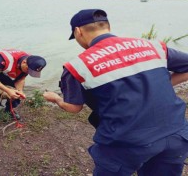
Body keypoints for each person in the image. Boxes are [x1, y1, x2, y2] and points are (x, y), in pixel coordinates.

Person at [43, 9, 188, 175]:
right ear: (108, 27)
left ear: (78, 31)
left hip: (127, 142)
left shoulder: (77, 66)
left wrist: (55, 98)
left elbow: (73, 107)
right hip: (177, 133)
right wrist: (163, 82)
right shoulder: (153, 46)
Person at [0, 49, 46, 126]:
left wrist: (19, 91)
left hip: (0, 70)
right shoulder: (4, 59)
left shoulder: (32, 63)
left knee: (16, 93)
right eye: (28, 70)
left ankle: (8, 111)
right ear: (24, 62)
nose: (28, 73)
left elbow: (21, 79)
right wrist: (7, 90)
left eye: (31, 72)